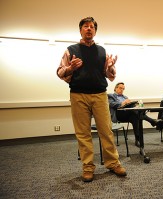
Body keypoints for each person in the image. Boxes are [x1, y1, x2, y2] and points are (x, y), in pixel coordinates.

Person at [57, 17, 126, 182]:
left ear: (95, 31)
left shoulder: (102, 51)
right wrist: (70, 68)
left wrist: (110, 67)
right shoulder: (70, 50)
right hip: (78, 95)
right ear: (80, 30)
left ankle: (113, 163)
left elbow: (110, 76)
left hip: (100, 95)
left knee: (106, 131)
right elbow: (60, 72)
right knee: (83, 134)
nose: (89, 29)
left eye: (92, 27)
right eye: (86, 26)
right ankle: (88, 167)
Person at [108, 82, 163, 147]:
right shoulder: (111, 96)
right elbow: (113, 104)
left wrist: (131, 104)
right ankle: (152, 121)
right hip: (119, 115)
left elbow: (130, 106)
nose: (122, 90)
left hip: (128, 114)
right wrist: (123, 103)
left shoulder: (125, 97)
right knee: (137, 113)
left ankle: (138, 139)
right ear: (115, 88)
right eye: (120, 88)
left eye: (123, 89)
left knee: (135, 117)